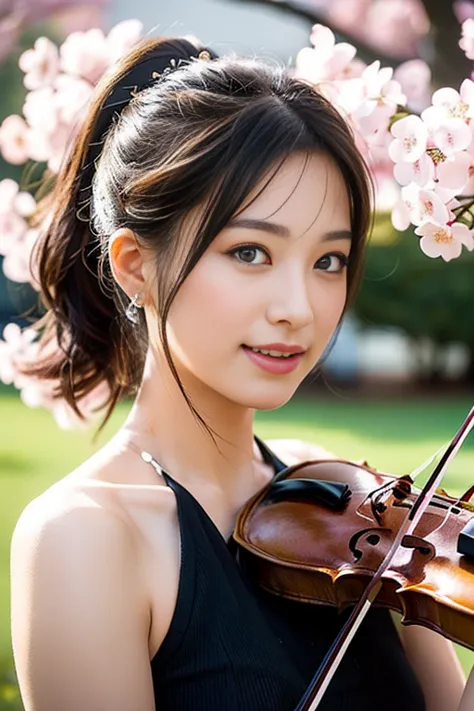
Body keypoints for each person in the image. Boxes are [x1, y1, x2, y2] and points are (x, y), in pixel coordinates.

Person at [9, 35, 473, 711]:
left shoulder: (346, 502)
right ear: (136, 264)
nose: (298, 308)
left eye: (329, 261)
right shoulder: (85, 536)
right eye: (251, 251)